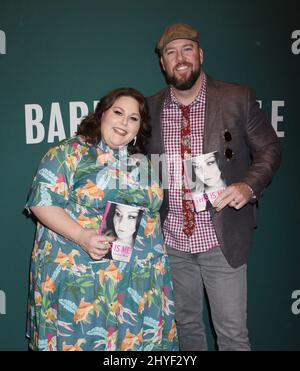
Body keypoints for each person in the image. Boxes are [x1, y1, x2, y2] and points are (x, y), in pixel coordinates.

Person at [146, 22, 282, 350]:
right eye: (171, 52)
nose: (180, 58)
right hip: (173, 242)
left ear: (201, 54)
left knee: (232, 335)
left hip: (220, 240)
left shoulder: (237, 98)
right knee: (187, 328)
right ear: (162, 63)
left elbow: (269, 148)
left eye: (187, 49)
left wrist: (248, 186)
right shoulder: (149, 108)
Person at [25, 87, 178, 351]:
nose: (124, 122)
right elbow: (41, 203)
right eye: (118, 112)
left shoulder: (141, 162)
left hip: (141, 284)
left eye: (133, 118)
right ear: (102, 114)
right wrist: (83, 237)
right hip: (84, 281)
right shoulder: (68, 153)